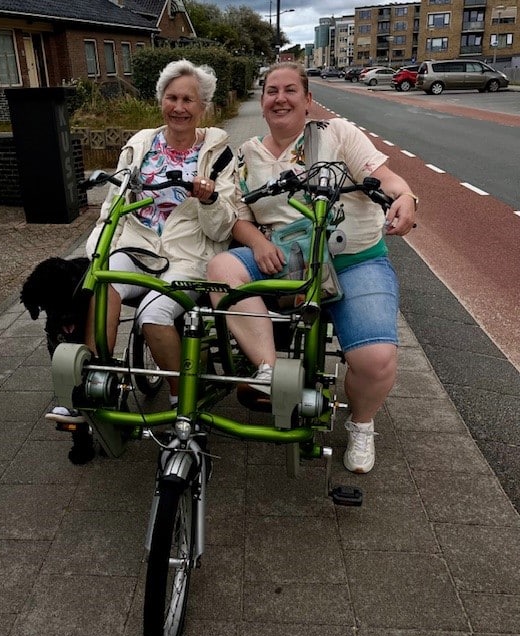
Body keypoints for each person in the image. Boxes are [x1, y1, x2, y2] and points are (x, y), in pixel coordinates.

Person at [206, 61, 417, 474]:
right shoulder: (248, 154)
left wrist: (405, 197)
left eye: (290, 90)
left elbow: (385, 178)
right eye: (271, 91)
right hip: (284, 257)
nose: (279, 98)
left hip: (353, 260)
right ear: (262, 100)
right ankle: (269, 371)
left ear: (308, 100)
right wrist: (258, 242)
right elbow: (239, 216)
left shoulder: (337, 134)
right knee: (220, 268)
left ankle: (361, 423)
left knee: (375, 358)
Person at [46, 59, 236, 423]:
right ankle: (94, 382)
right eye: (172, 97)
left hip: (188, 255)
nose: (179, 107)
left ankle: (182, 402)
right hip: (137, 244)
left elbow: (221, 229)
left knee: (153, 315)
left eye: (189, 100)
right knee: (102, 287)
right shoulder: (140, 143)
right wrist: (98, 254)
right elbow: (114, 205)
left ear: (203, 107)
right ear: (161, 100)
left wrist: (210, 200)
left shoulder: (219, 153)